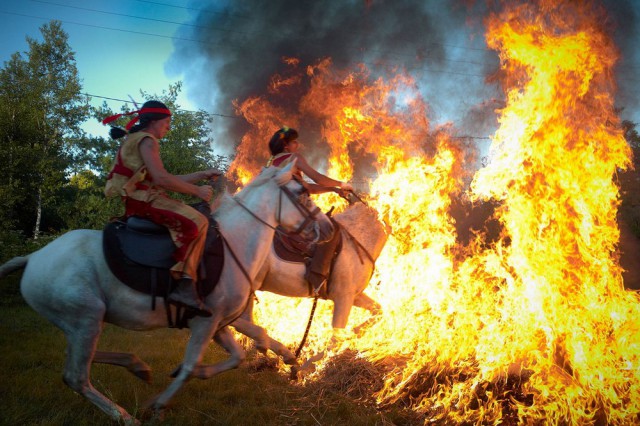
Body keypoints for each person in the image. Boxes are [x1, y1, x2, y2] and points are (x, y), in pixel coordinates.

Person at [102, 100, 221, 317]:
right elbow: (161, 179)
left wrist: (200, 175)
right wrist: (197, 192)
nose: (169, 127)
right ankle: (185, 286)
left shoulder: (137, 139)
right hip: (145, 201)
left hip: (142, 198)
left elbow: (164, 178)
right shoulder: (148, 141)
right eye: (167, 122)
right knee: (199, 221)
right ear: (155, 121)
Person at [266, 126, 354, 294]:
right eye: (293, 142)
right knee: (332, 229)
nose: (297, 144)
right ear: (286, 146)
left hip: (276, 217)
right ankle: (317, 277)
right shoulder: (293, 158)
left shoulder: (271, 163)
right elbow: (318, 178)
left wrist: (334, 191)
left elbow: (308, 187)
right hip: (292, 214)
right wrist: (341, 184)